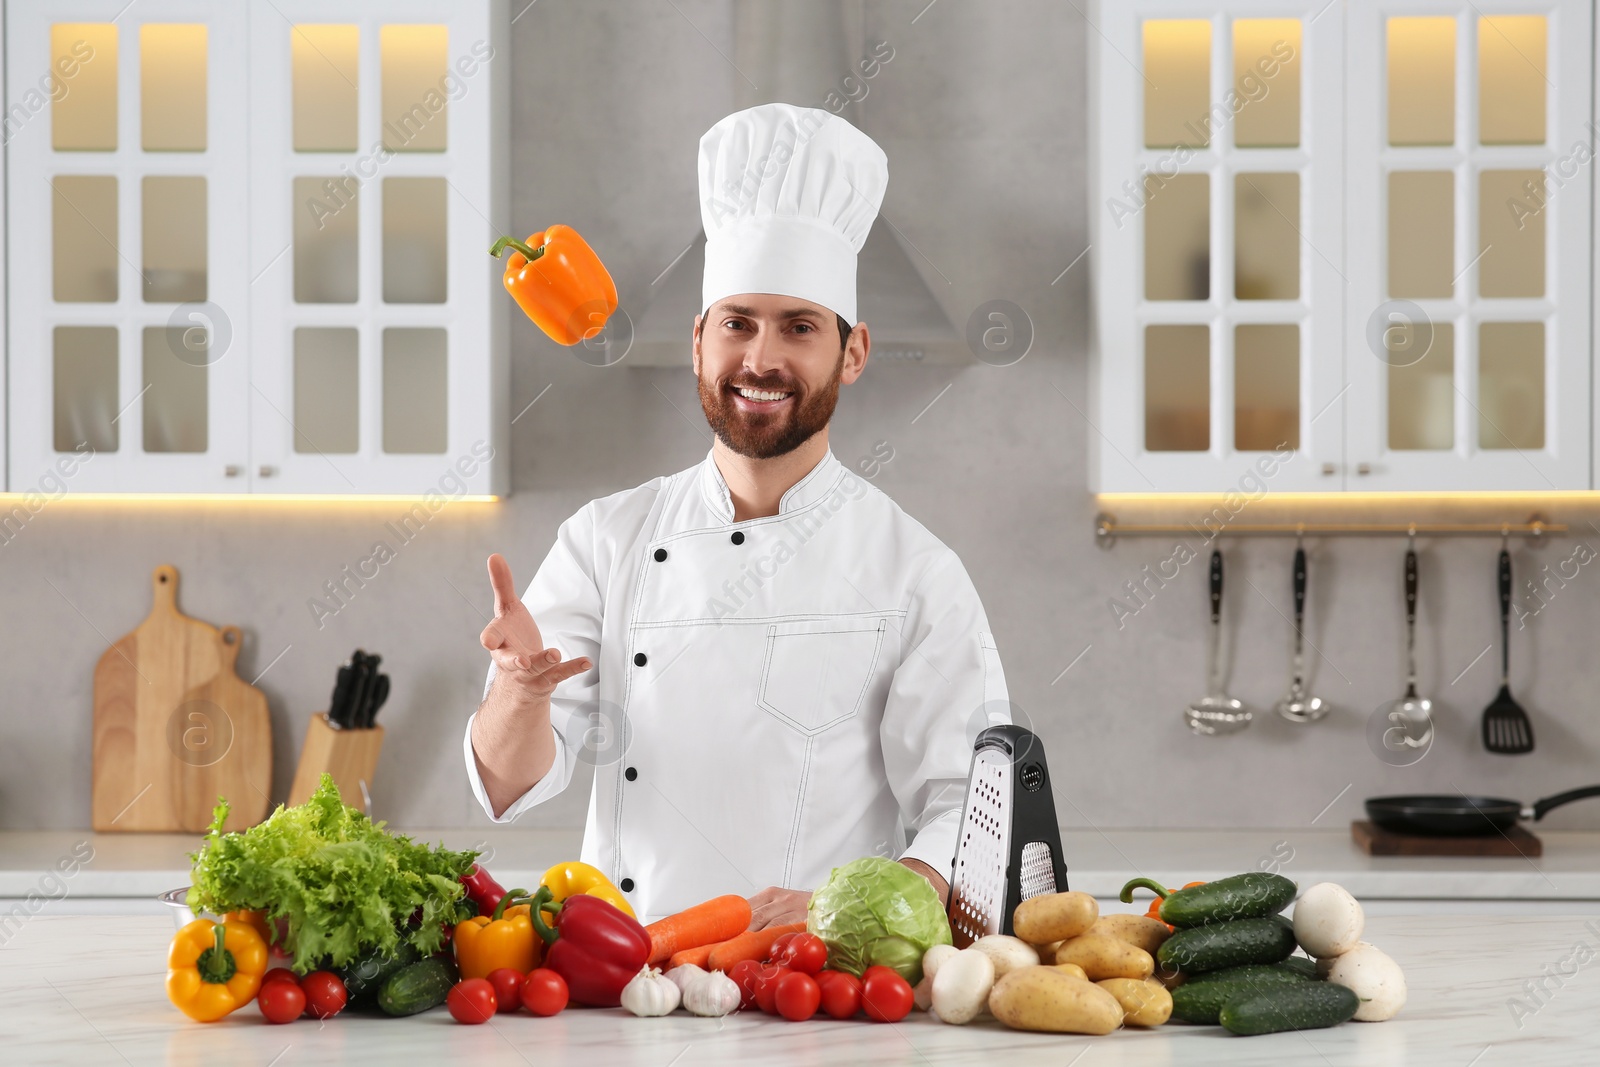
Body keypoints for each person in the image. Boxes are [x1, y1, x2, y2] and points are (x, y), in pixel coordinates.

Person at [466, 102, 1009, 925]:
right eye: (737, 324)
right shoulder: (604, 542)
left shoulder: (915, 570)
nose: (761, 359)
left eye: (798, 327)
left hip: (815, 1001)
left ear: (851, 352)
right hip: (624, 986)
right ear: (698, 342)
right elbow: (505, 782)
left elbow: (970, 808)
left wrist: (850, 907)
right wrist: (518, 691)